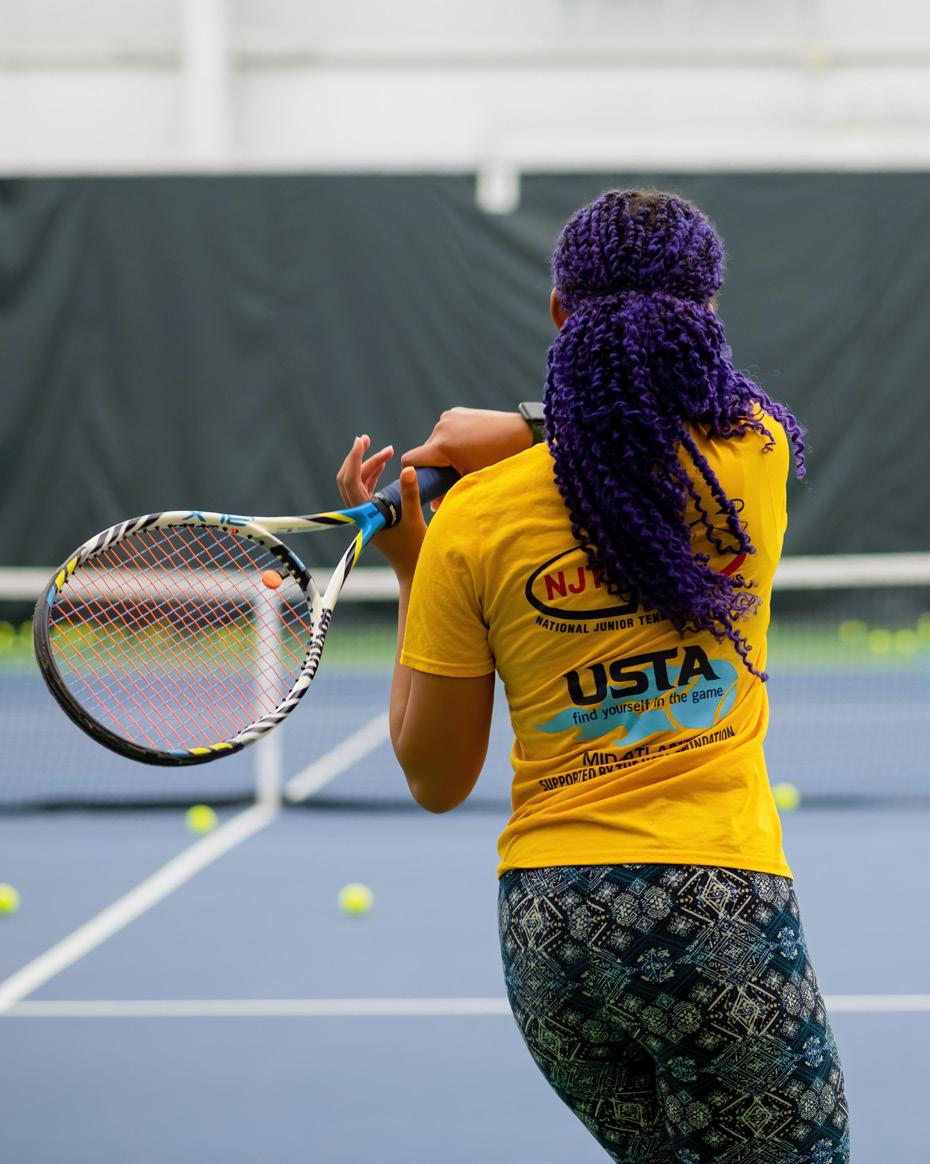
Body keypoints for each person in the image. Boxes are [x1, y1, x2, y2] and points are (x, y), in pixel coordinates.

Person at [336, 189, 849, 1163]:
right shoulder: (752, 456)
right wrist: (525, 427)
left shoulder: (475, 521)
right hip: (715, 914)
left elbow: (435, 777)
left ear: (559, 312)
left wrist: (413, 564)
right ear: (708, 313)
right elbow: (671, 420)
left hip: (552, 938)